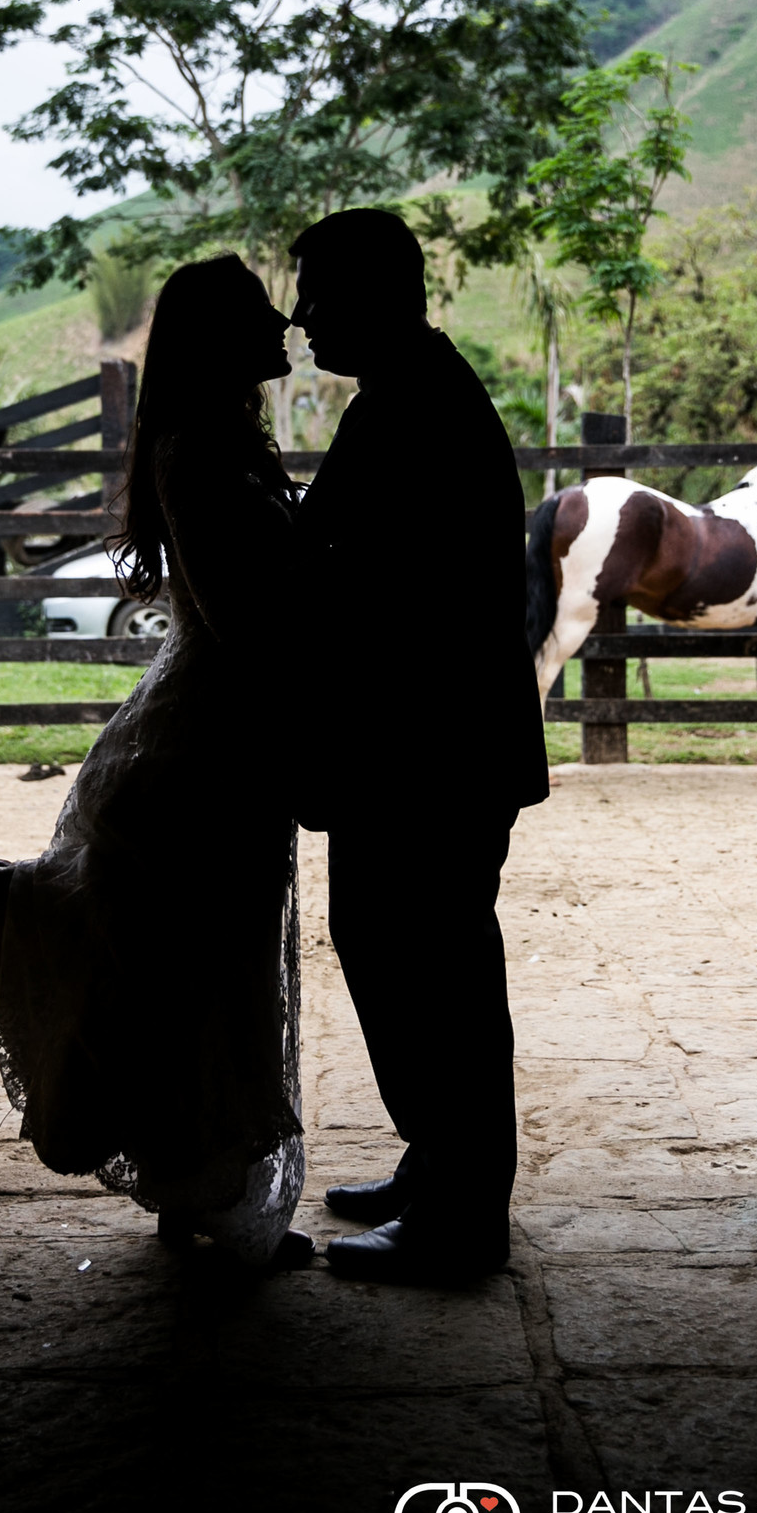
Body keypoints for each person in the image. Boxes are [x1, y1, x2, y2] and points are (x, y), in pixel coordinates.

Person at [0, 254, 312, 1269]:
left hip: (214, 726)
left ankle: (196, 1196)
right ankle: (2, 904)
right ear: (217, 341)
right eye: (258, 313)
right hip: (208, 742)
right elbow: (244, 621)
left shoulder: (223, 443)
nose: (282, 322)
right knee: (196, 971)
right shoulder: (201, 454)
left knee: (183, 967)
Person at [288, 208, 549, 1283]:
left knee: (428, 971)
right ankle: (438, 1163)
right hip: (430, 746)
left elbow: (359, 571)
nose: (301, 318)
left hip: (426, 752)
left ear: (372, 295)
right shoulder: (410, 396)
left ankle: (460, 1216)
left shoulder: (414, 412)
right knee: (419, 959)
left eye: (316, 294)